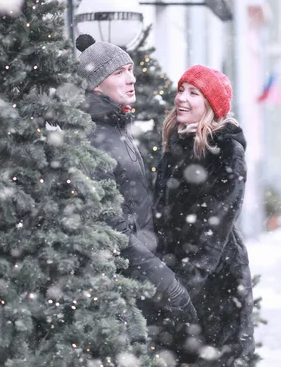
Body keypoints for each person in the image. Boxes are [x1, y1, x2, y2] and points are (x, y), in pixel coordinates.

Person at [75, 34, 196, 338]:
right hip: (116, 288)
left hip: (138, 277)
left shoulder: (116, 127)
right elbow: (113, 229)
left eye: (130, 70)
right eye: (119, 73)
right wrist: (168, 284)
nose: (131, 79)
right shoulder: (93, 135)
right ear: (95, 84)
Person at [153, 65, 255, 365]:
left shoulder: (224, 150)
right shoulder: (176, 145)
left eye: (193, 93)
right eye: (181, 90)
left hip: (215, 284)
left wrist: (184, 285)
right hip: (177, 275)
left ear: (210, 105)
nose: (182, 98)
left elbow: (216, 227)